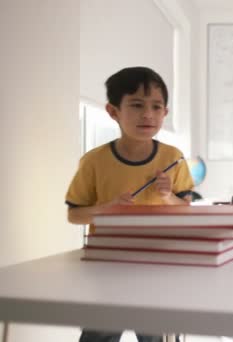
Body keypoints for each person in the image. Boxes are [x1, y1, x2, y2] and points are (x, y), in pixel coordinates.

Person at [66, 66, 193, 342]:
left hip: (158, 266)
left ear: (165, 113)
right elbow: (74, 215)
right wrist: (105, 208)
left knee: (154, 335)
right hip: (106, 266)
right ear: (113, 111)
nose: (148, 114)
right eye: (136, 105)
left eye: (156, 107)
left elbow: (186, 212)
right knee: (100, 332)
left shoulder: (174, 157)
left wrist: (168, 196)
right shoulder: (94, 161)